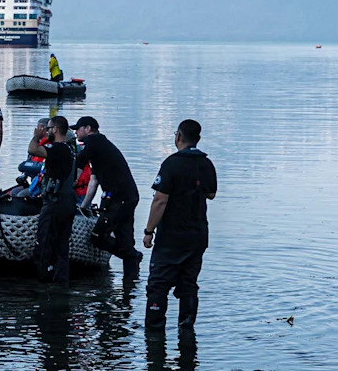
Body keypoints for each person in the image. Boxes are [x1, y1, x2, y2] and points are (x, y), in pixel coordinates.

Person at [143, 118, 217, 331]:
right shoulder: (207, 163)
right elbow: (211, 194)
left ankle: (154, 330)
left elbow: (160, 200)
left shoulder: (171, 163)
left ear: (178, 137)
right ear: (198, 139)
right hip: (198, 235)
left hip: (171, 236)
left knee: (158, 284)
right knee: (188, 284)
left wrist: (149, 231)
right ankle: (187, 326)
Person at [74, 115, 142, 280]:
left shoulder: (94, 141)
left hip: (119, 200)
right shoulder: (101, 147)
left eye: (78, 128)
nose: (76, 132)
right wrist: (83, 207)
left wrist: (69, 181)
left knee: (97, 237)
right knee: (125, 240)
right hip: (128, 197)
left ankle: (132, 256)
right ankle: (130, 285)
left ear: (88, 129)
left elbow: (79, 162)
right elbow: (94, 180)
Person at [34, 115, 78, 283]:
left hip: (55, 203)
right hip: (68, 202)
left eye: (49, 128)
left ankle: (44, 280)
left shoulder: (57, 148)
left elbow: (34, 150)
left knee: (45, 244)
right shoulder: (70, 150)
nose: (48, 131)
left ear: (56, 130)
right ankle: (61, 281)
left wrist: (37, 137)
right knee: (62, 246)